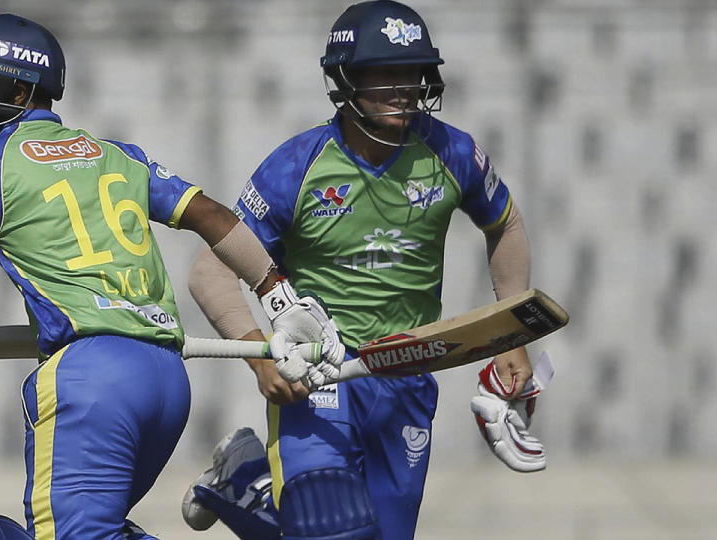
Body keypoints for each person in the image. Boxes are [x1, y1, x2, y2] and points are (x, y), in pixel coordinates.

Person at [0, 13, 344, 540]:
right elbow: (211, 215)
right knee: (98, 530)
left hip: (92, 383)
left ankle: (247, 486)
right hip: (166, 380)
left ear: (20, 89)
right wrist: (278, 294)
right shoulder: (115, 153)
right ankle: (243, 492)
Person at [184, 2, 542, 539]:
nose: (404, 88)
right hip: (323, 373)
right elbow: (210, 269)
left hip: (408, 373)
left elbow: (506, 225)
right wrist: (261, 360)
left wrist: (512, 336)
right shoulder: (296, 166)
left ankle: (245, 477)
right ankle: (252, 475)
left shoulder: (453, 151)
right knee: (328, 528)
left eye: (414, 73)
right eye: (386, 74)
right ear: (344, 79)